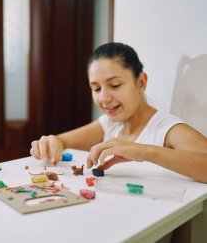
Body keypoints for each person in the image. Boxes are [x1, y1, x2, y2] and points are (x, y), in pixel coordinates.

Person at [30, 42, 207, 183]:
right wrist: (50, 143)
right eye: (96, 88)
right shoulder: (109, 123)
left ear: (141, 82)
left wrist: (145, 152)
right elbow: (62, 141)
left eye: (115, 85)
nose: (104, 98)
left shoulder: (166, 129)